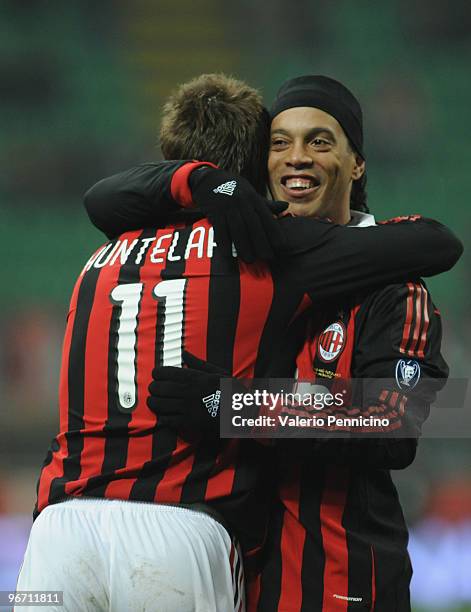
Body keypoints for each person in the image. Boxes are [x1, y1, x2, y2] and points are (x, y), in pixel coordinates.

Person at [19, 74, 461, 612]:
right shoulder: (246, 263)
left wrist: (235, 404)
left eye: (319, 141)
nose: (296, 158)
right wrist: (201, 182)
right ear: (257, 164)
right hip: (224, 569)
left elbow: (392, 420)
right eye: (279, 143)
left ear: (357, 162)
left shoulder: (394, 287)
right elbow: (105, 197)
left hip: (335, 584)